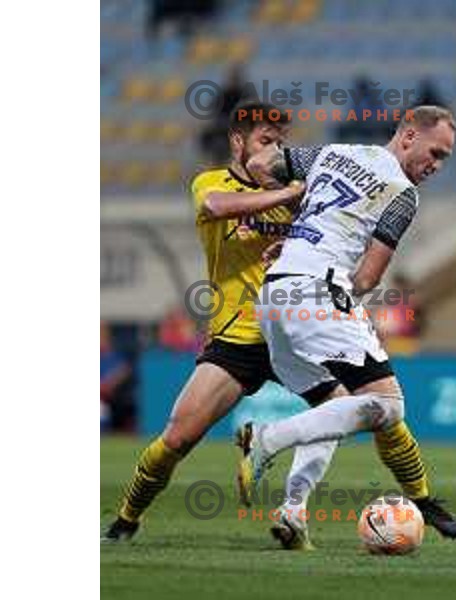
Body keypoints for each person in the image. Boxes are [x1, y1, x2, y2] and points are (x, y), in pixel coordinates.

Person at [236, 106, 456, 545]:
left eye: (445, 159)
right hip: (318, 292)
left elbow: (258, 164)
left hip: (273, 295)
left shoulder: (334, 152)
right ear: (406, 138)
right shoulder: (402, 192)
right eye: (434, 152)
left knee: (334, 406)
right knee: (388, 407)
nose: (436, 166)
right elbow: (367, 278)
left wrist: (301, 228)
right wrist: (341, 299)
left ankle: (293, 512)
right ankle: (267, 439)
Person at [102, 101, 330, 542]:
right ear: (238, 141)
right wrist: (289, 195)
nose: (274, 151)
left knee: (346, 411)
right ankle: (127, 518)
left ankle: (294, 515)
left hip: (295, 332)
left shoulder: (299, 195)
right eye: (265, 141)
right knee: (176, 440)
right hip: (237, 336)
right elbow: (217, 206)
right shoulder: (212, 182)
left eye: (280, 143)